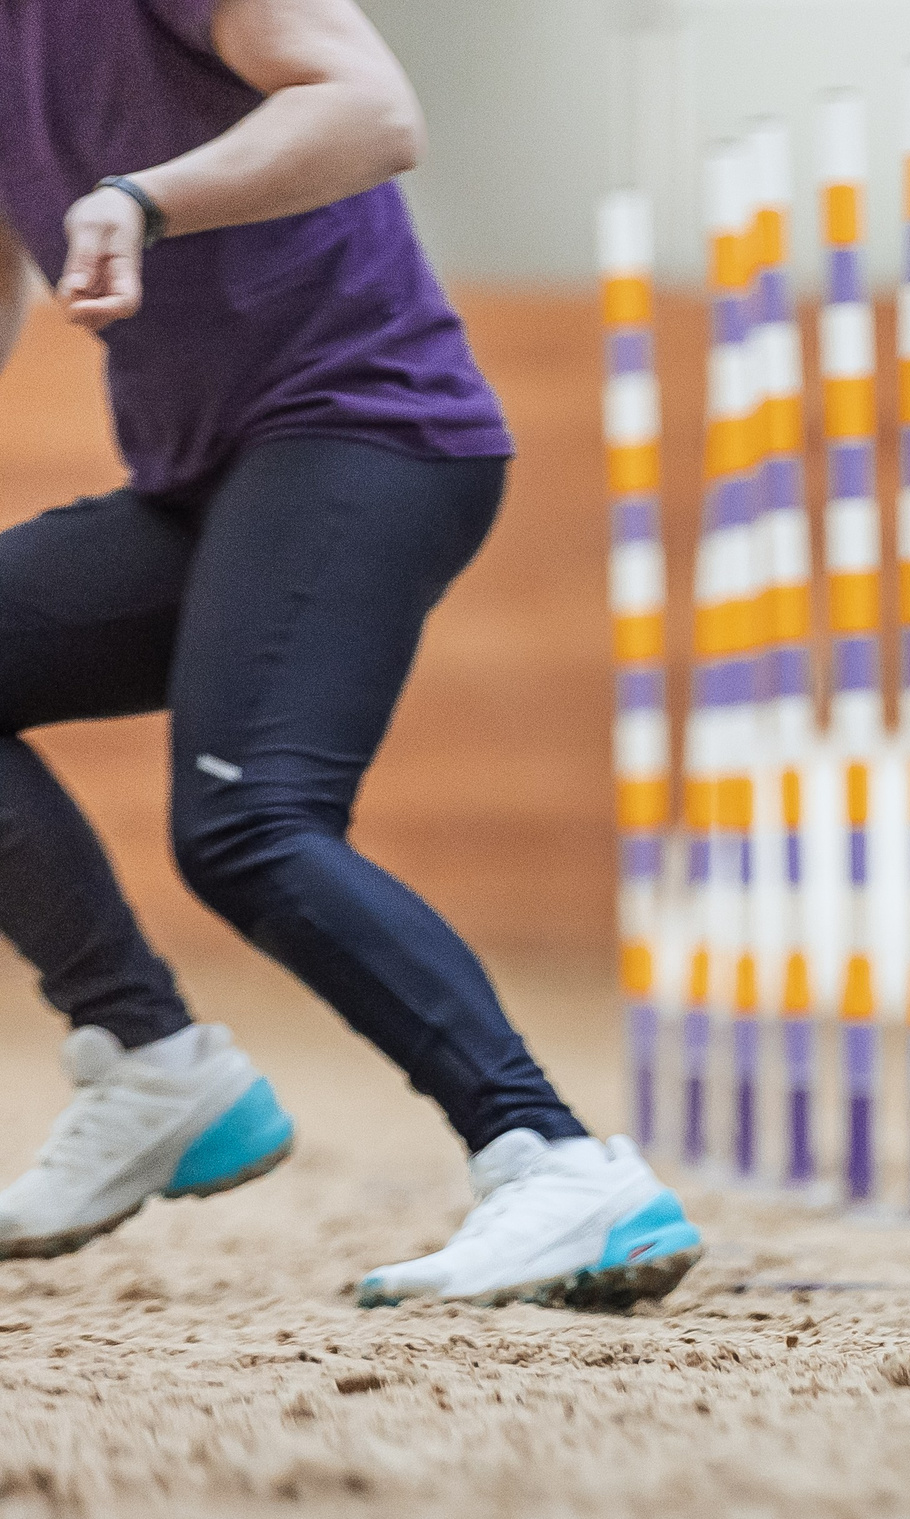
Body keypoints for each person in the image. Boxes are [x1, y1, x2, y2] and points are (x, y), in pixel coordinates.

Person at [0, 0, 701, 1307]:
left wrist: (144, 199)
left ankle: (554, 1160)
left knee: (249, 822)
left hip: (372, 435)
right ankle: (152, 1062)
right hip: (203, 482)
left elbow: (373, 109)